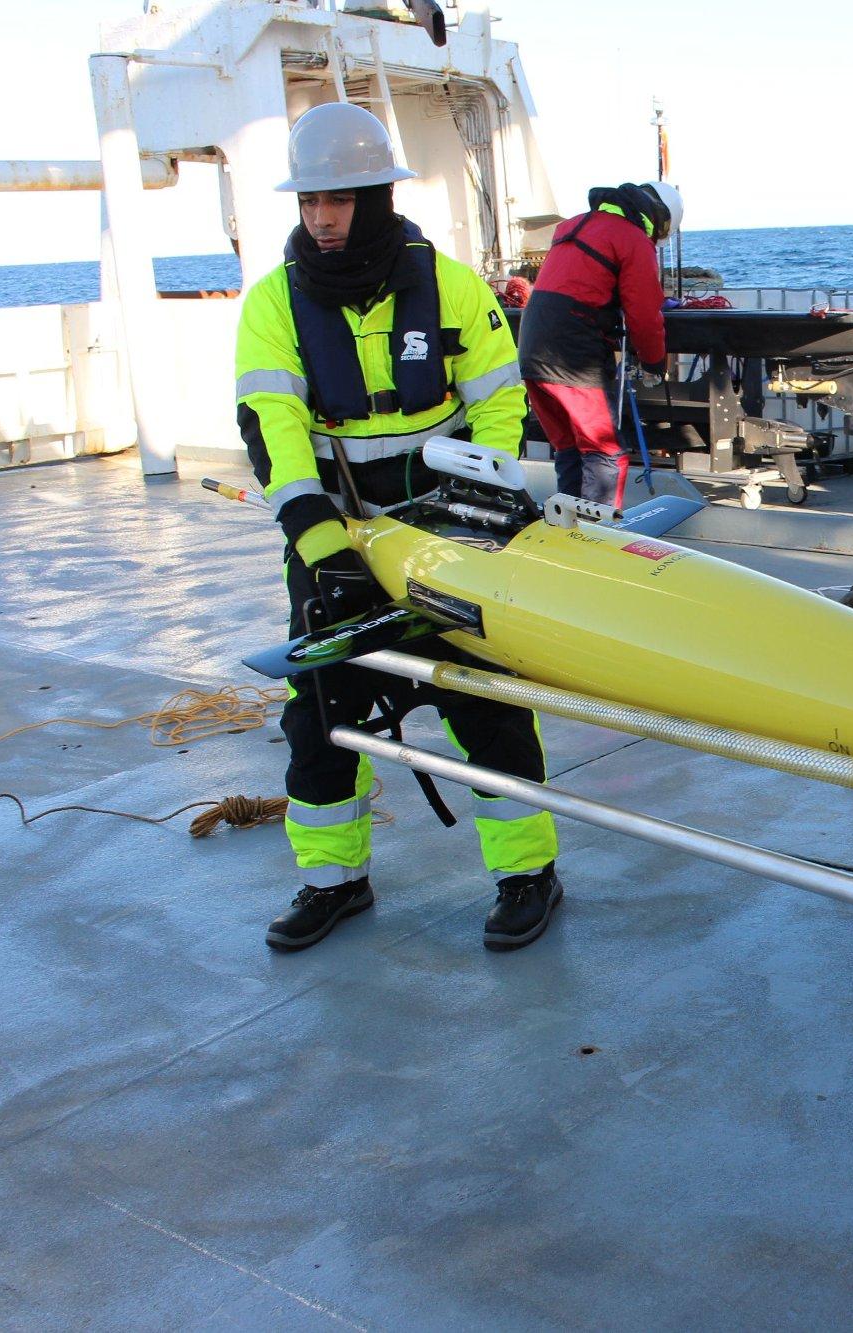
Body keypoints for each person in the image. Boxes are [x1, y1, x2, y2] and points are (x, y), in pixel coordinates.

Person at [235, 102, 564, 954]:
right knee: (318, 714)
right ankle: (333, 880)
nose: (322, 218)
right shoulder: (273, 304)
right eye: (310, 201)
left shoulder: (450, 286)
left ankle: (528, 872)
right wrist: (321, 545)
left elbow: (500, 402)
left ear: (379, 197)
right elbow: (271, 427)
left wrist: (473, 507)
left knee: (487, 704)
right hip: (335, 539)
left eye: (338, 200)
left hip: (446, 531)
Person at [517, 181, 684, 508]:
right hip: (573, 354)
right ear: (658, 219)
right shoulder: (632, 238)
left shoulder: (576, 226)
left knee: (569, 446)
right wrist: (654, 362)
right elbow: (644, 315)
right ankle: (598, 532)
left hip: (531, 347)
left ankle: (567, 527)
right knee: (604, 450)